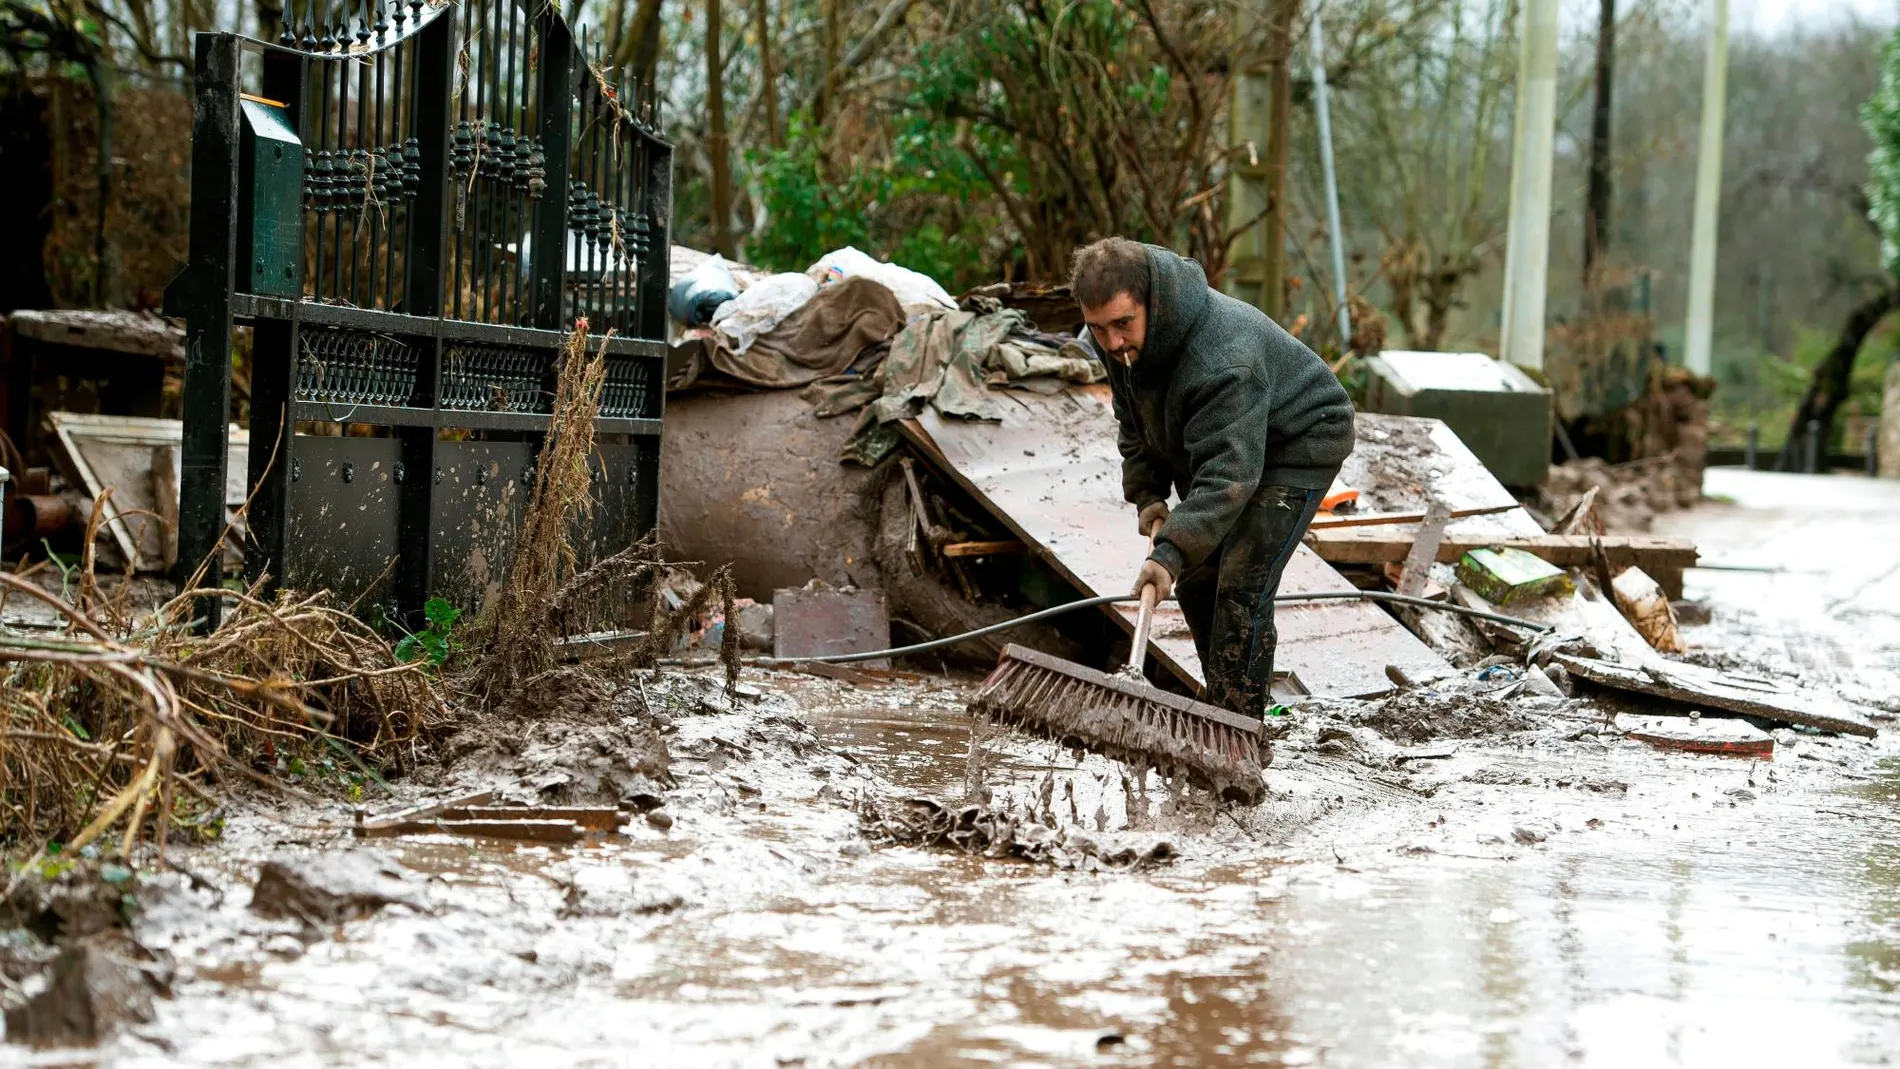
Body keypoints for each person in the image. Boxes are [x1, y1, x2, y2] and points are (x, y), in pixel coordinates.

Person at [1072, 237, 1355, 719]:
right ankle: (1221, 706)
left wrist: (1170, 551)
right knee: (1198, 579)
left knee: (1242, 583)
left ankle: (1241, 724)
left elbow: (1229, 477)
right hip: (1229, 440)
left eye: (1123, 324)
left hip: (1298, 440)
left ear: (1152, 305)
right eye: (1099, 329)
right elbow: (1134, 419)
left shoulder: (1224, 358)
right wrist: (1147, 494)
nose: (1113, 342)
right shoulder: (1120, 346)